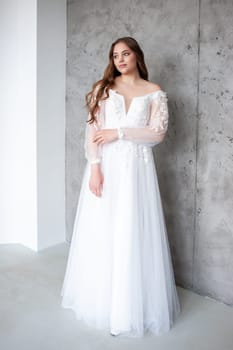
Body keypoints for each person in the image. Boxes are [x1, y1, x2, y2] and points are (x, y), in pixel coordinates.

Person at [61, 36, 181, 338]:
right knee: (105, 229)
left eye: (125, 53)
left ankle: (129, 308)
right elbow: (92, 132)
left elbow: (157, 134)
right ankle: (104, 302)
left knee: (132, 232)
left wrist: (120, 132)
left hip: (138, 173)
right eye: (115, 55)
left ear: (137, 56)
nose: (120, 60)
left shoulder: (154, 93)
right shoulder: (104, 90)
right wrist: (95, 168)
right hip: (108, 169)